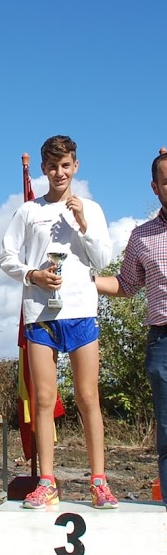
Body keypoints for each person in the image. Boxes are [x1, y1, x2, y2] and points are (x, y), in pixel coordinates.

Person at [0, 135, 118, 509]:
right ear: (43, 169)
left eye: (65, 165)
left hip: (80, 311)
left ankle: (99, 481)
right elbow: (6, 256)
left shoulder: (91, 209)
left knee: (87, 396)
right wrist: (33, 274)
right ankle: (47, 482)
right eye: (52, 166)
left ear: (75, 166)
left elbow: (102, 260)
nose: (59, 172)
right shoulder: (28, 211)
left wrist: (83, 224)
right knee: (44, 399)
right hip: (41, 315)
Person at [96, 148, 167, 506]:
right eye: (166, 181)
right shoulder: (142, 236)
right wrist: (83, 280)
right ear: (155, 187)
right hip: (162, 343)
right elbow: (125, 285)